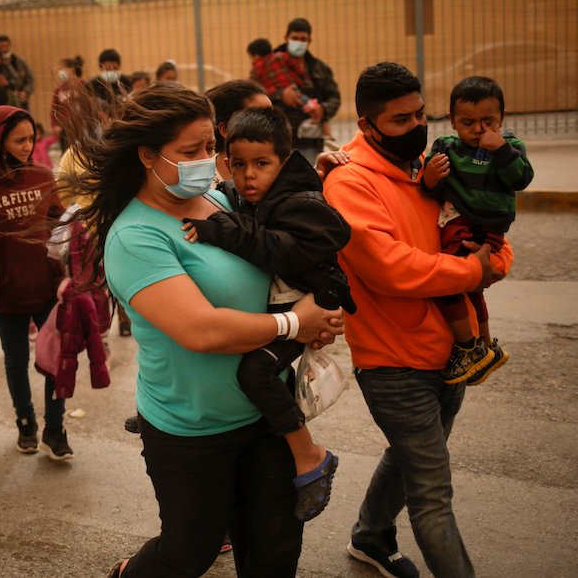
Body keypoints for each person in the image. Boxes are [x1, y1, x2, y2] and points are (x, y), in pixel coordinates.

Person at [57, 81, 344, 577]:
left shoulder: (220, 201)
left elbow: (286, 252)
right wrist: (296, 324)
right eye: (191, 151)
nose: (207, 160)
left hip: (267, 415)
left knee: (275, 549)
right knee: (190, 551)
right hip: (191, 429)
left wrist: (318, 307)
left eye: (211, 146)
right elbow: (202, 331)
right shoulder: (134, 236)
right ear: (148, 156)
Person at [321, 62, 512, 578]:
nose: (417, 128)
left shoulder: (433, 164)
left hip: (453, 351)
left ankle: (370, 535)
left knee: (412, 456)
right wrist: (471, 270)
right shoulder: (348, 183)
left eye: (421, 114)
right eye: (401, 120)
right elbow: (389, 270)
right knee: (433, 493)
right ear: (367, 126)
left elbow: (485, 224)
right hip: (394, 362)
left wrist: (491, 262)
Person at [181, 106, 356, 523]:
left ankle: (309, 455)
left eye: (261, 164)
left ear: (283, 160)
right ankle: (169, 421)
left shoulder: (299, 204)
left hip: (305, 304)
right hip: (284, 302)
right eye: (238, 164)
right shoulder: (245, 192)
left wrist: (220, 228)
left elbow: (281, 247)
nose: (248, 176)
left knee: (253, 373)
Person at [0, 105, 72, 460]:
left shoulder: (42, 176)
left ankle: (55, 428)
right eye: (19, 140)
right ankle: (25, 423)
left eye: (31, 139)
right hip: (6, 291)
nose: (28, 146)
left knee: (56, 359)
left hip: (49, 287)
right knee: (15, 360)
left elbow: (61, 226)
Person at [422, 76, 533, 385]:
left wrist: (501, 151)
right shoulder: (447, 147)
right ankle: (484, 345)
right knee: (466, 287)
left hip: (489, 228)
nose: (478, 129)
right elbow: (431, 190)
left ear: (502, 118)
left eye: (488, 121)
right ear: (453, 120)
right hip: (458, 223)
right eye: (468, 122)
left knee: (447, 283)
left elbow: (520, 179)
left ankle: (469, 347)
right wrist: (430, 177)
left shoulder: (510, 147)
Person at [263, 18, 341, 162]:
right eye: (295, 38)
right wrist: (280, 95)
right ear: (286, 38)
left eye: (303, 39)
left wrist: (323, 109)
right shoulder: (269, 63)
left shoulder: (318, 68)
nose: (298, 42)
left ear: (309, 40)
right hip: (277, 140)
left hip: (310, 141)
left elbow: (334, 98)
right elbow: (256, 94)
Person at [204, 79, 272, 178]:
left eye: (273, 117)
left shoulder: (283, 177)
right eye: (259, 119)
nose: (273, 126)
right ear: (226, 130)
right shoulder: (201, 185)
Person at [247, 38, 320, 126]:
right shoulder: (281, 56)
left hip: (275, 98)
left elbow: (254, 88)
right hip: (293, 88)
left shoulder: (256, 69)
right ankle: (322, 126)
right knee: (310, 106)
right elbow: (297, 67)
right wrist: (304, 82)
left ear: (256, 56)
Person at [49, 56, 84, 151]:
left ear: (72, 69)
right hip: (64, 129)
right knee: (66, 153)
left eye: (63, 68)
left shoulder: (83, 85)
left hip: (81, 128)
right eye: (60, 69)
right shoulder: (58, 90)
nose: (61, 72)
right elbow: (54, 110)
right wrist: (54, 125)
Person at [0, 35, 34, 111]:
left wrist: (25, 91)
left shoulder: (20, 61)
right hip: (2, 102)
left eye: (6, 46)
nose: (4, 49)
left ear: (10, 46)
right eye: (2, 47)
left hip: (21, 101)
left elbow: (30, 79)